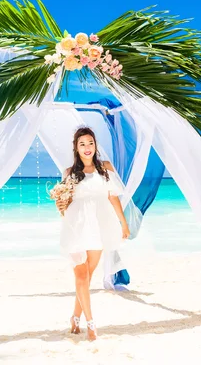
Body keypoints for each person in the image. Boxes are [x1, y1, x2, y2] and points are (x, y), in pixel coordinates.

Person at [55, 127, 130, 341]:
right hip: (75, 226)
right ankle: (91, 324)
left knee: (87, 277)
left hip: (99, 225)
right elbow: (64, 202)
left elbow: (113, 197)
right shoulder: (69, 172)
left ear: (95, 145)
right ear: (76, 148)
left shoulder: (105, 168)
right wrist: (60, 202)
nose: (87, 148)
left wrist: (123, 223)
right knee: (80, 274)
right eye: (82, 144)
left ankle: (74, 317)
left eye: (90, 143)